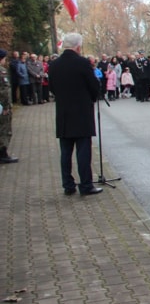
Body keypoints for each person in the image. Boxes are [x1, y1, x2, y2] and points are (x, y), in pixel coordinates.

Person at [49, 33, 102, 196]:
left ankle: (68, 185)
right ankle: (86, 185)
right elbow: (93, 86)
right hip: (81, 113)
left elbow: (52, 88)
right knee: (83, 151)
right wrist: (93, 97)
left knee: (65, 152)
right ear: (78, 47)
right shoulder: (82, 63)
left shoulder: (54, 64)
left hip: (64, 113)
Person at [0, 49, 20, 163]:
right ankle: (3, 154)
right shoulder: (1, 71)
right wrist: (6, 106)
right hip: (2, 106)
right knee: (4, 129)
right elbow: (4, 91)